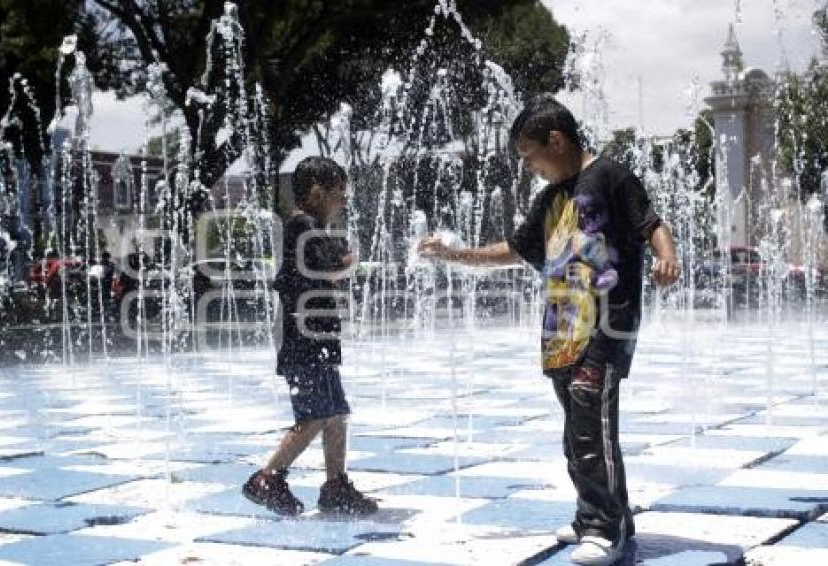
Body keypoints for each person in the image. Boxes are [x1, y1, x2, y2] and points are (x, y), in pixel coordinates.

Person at [418, 95, 679, 565]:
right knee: (580, 430)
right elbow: (515, 251)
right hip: (561, 329)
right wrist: (453, 254)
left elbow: (651, 223)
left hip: (605, 324)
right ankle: (598, 514)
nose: (529, 167)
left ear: (555, 140)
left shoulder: (611, 176)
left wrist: (668, 256)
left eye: (529, 154)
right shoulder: (549, 199)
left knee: (588, 421)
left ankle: (604, 527)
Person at [243, 156, 377, 517]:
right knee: (316, 414)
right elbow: (330, 268)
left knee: (334, 413)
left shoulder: (309, 228)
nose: (344, 201)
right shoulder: (303, 226)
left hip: (315, 338)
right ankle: (268, 476)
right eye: (340, 194)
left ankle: (335, 485)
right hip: (304, 341)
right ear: (318, 192)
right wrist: (351, 261)